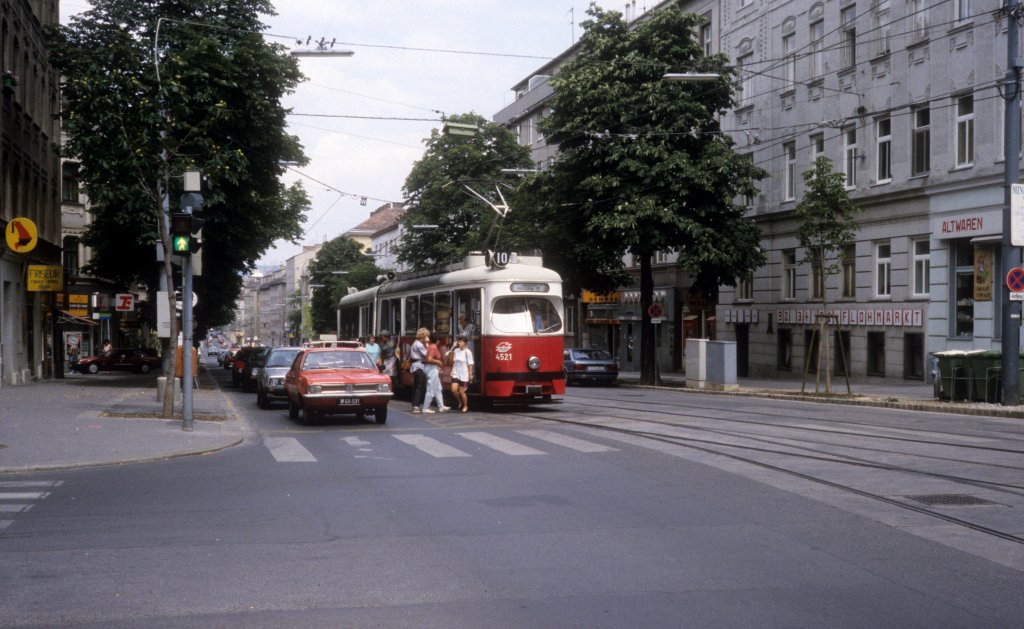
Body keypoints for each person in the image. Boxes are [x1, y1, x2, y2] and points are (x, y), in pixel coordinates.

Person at [422, 334, 449, 413]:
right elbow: (430, 359)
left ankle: (441, 406)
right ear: (438, 341)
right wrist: (438, 362)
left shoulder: (430, 346)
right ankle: (425, 407)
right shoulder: (434, 347)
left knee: (438, 388)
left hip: (431, 368)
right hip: (432, 368)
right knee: (431, 389)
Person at [448, 335, 474, 412]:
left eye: (461, 342)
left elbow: (470, 364)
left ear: (465, 343)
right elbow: (454, 362)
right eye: (459, 341)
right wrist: (452, 370)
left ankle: (465, 405)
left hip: (464, 374)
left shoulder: (468, 352)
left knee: (461, 391)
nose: (459, 343)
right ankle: (459, 401)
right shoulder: (456, 351)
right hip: (456, 372)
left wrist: (470, 374)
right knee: (453, 390)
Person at [409, 327, 430, 413]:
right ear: (423, 336)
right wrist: (427, 344)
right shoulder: (419, 345)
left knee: (417, 385)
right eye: (426, 336)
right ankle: (416, 405)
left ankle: (414, 403)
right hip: (419, 366)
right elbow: (427, 354)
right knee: (420, 386)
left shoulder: (415, 343)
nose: (427, 338)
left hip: (416, 366)